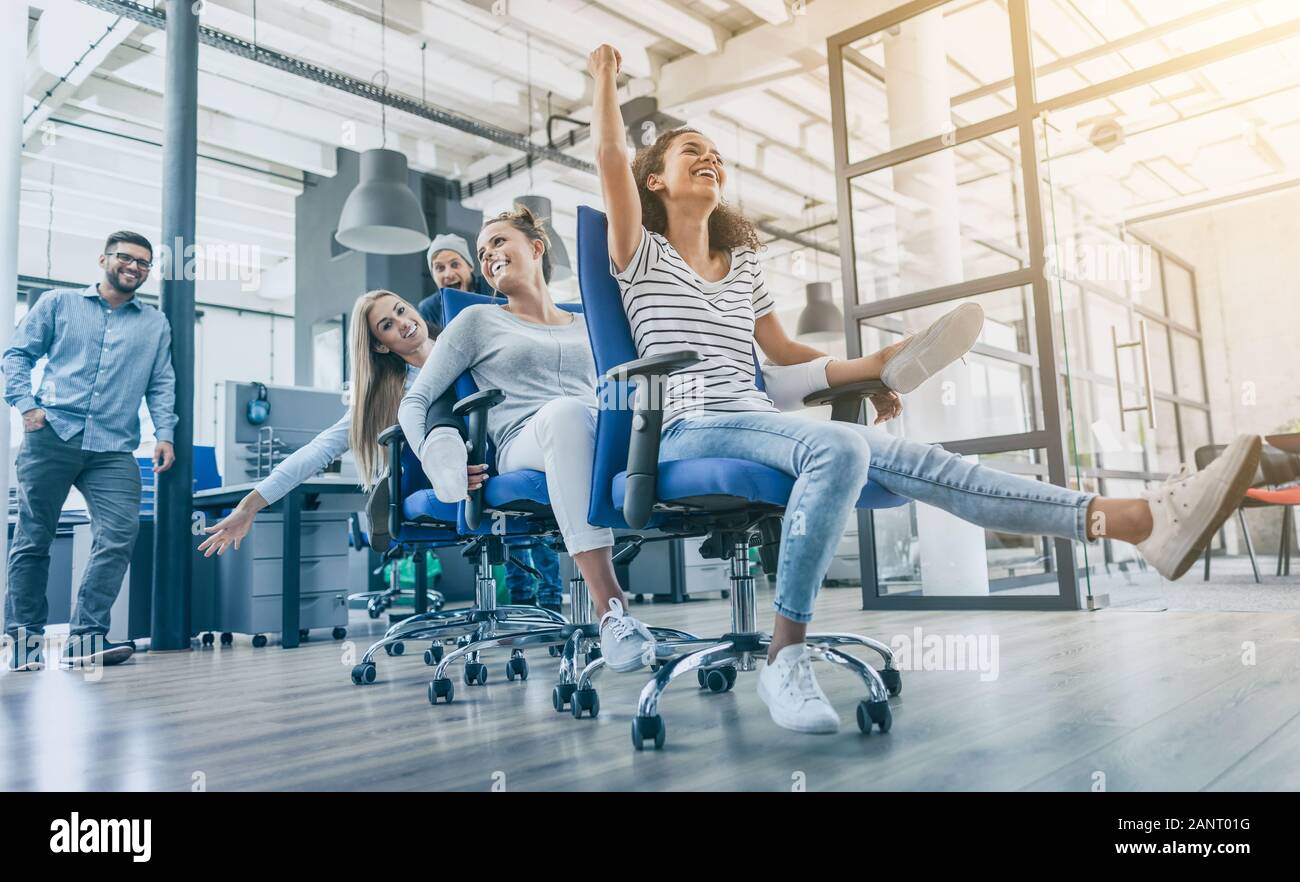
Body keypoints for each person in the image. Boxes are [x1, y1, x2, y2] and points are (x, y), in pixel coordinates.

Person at [588, 43, 1262, 734]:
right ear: (656, 182)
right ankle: (784, 655)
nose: (711, 159)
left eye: (717, 155)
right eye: (690, 151)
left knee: (924, 460)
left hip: (759, 417)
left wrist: (871, 372)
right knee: (840, 452)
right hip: (688, 424)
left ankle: (1135, 521)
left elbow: (784, 353)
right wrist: (605, 79)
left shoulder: (744, 265)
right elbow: (612, 159)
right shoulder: (642, 252)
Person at [2, 231, 177, 671]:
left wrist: (164, 433)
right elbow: (16, 355)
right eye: (126, 258)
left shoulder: (154, 323)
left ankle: (86, 639)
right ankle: (24, 643)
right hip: (52, 435)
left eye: (144, 262)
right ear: (104, 259)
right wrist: (27, 407)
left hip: (114, 446)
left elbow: (161, 383)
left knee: (118, 536)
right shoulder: (58, 304)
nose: (134, 267)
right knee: (33, 538)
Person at [197, 291, 464, 562]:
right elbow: (321, 448)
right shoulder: (390, 395)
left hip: (488, 449)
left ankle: (396, 482)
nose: (403, 322)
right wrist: (248, 506)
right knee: (417, 414)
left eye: (401, 310)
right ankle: (398, 481)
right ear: (381, 346)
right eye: (387, 325)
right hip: (434, 466)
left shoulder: (462, 342)